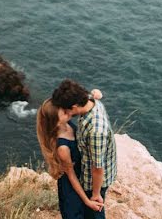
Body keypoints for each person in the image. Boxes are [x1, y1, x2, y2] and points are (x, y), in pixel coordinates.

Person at [51, 79, 117, 219]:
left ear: (74, 106)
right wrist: (96, 93)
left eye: (65, 109)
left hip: (93, 181)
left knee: (93, 213)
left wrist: (95, 194)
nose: (65, 113)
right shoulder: (90, 102)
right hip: (87, 168)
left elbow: (97, 168)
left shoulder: (96, 131)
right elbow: (93, 94)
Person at [37, 91, 105, 218]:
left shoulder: (66, 124)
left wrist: (93, 95)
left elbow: (81, 104)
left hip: (83, 177)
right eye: (63, 111)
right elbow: (71, 176)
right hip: (73, 188)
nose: (68, 110)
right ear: (56, 121)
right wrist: (87, 201)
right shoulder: (62, 147)